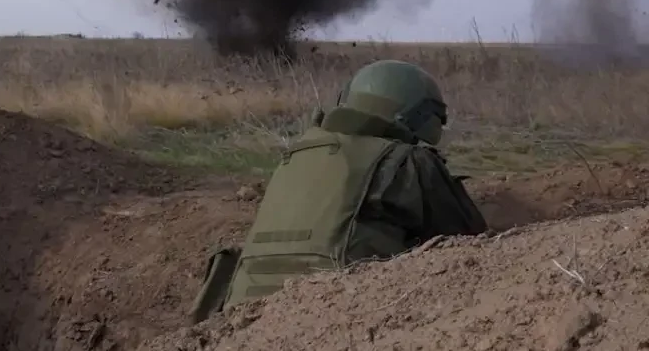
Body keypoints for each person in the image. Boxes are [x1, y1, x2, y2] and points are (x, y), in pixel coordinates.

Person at [190, 59, 487, 323]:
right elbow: (472, 242)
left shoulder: (297, 155)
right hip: (332, 316)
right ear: (417, 114)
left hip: (241, 317)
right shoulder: (408, 160)